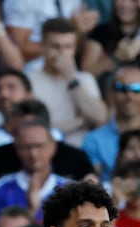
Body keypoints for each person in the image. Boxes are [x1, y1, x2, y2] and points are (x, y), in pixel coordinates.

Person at [28, 17, 108, 147]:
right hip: (42, 150)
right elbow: (37, 127)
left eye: (68, 47)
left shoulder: (84, 79)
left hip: (80, 150)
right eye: (55, 46)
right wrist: (81, 121)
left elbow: (100, 118)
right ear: (42, 46)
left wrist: (70, 78)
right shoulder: (29, 80)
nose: (62, 53)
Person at [0, 120, 73, 227]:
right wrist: (32, 210)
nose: (33, 154)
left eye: (39, 146)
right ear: (17, 148)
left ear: (53, 147)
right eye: (26, 147)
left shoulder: (71, 191)